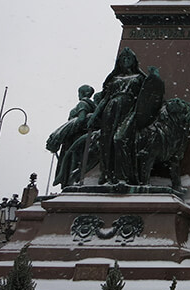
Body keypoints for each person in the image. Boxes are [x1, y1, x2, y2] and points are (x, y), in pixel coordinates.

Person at [88, 48, 145, 184]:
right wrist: (94, 115)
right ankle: (107, 172)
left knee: (120, 139)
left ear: (134, 61)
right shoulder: (114, 79)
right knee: (106, 141)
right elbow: (105, 98)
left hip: (129, 109)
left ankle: (125, 175)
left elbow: (147, 95)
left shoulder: (139, 78)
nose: (126, 61)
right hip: (111, 109)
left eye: (129, 58)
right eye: (123, 59)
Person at [46, 85, 96, 187]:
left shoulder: (83, 104)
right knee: (76, 161)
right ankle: (71, 180)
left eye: (79, 92)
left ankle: (70, 182)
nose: (78, 95)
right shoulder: (93, 106)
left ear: (84, 93)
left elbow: (81, 119)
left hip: (74, 137)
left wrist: (66, 131)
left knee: (72, 162)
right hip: (81, 137)